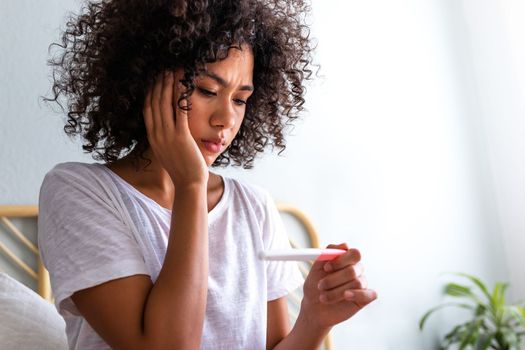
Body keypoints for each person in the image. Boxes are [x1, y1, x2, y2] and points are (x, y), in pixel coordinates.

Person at [38, 0, 378, 349]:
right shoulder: (78, 192)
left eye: (240, 99)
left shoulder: (254, 207)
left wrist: (313, 320)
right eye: (207, 91)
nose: (226, 120)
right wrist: (190, 184)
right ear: (146, 81)